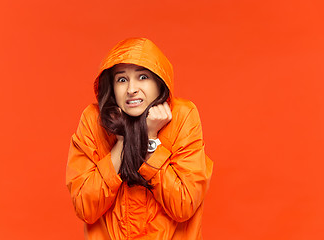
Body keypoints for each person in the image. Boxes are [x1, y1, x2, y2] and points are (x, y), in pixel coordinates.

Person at [66, 37, 213, 239]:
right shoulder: (94, 120)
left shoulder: (183, 116)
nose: (131, 89)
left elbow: (184, 205)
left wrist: (150, 141)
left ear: (159, 82)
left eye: (142, 77)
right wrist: (123, 142)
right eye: (122, 79)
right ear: (112, 85)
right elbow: (85, 207)